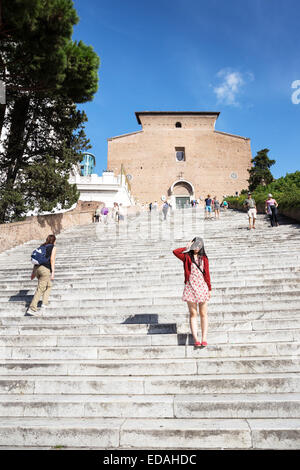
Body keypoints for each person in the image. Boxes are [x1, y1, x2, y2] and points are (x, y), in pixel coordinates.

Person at [173, 237, 211, 347]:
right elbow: (175, 252)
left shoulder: (204, 258)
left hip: (202, 287)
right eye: (195, 245)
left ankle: (204, 338)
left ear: (202, 246)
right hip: (190, 287)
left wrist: (209, 288)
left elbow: (207, 274)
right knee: (193, 314)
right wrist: (187, 247)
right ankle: (196, 339)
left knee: (203, 314)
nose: (197, 247)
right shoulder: (186, 257)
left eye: (199, 245)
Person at [26, 234, 57, 316]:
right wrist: (53, 272)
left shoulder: (42, 247)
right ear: (54, 241)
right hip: (44, 270)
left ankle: (44, 303)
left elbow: (36, 260)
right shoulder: (53, 247)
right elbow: (52, 260)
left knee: (49, 285)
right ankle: (32, 308)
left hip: (37, 269)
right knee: (40, 288)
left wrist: (33, 272)